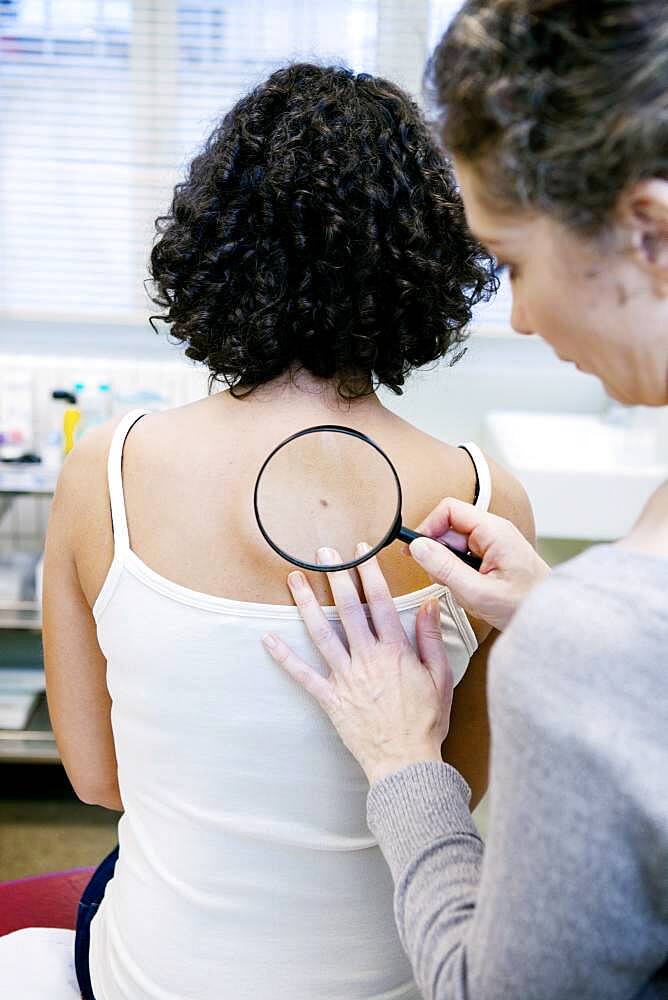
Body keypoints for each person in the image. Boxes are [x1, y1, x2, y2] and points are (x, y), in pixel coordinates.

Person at [0, 65, 534, 1000]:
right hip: (414, 971)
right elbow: (463, 790)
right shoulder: (491, 506)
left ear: (217, 244)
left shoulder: (105, 474)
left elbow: (97, 780)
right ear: (425, 263)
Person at [262, 4, 668, 998]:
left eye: (513, 264)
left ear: (648, 230)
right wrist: (558, 614)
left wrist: (404, 758)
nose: (520, 318)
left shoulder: (596, 640)